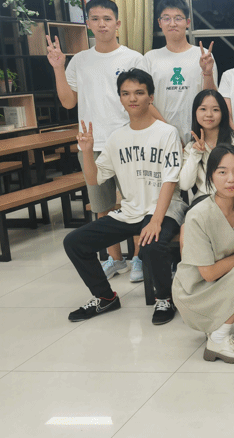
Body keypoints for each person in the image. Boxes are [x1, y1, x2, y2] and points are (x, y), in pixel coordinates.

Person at [64, 68, 186, 325]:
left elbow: (170, 179)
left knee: (151, 245)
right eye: (126, 93)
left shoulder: (167, 132)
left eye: (139, 93)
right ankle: (105, 297)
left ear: (151, 97)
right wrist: (87, 151)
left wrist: (156, 220)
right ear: (120, 98)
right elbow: (94, 179)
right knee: (74, 242)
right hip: (131, 211)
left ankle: (164, 298)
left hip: (165, 208)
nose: (132, 98)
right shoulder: (116, 137)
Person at [47, 0, 143, 281]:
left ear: (117, 23)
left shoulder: (133, 58)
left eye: (107, 19)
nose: (102, 24)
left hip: (128, 142)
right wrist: (58, 67)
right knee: (102, 207)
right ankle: (116, 259)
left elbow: (144, 100)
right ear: (88, 23)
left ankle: (140, 258)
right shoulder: (79, 61)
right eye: (96, 19)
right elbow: (68, 102)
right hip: (92, 144)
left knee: (136, 204)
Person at [172, 145, 234, 364]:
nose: (231, 179)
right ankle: (218, 338)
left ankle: (216, 327)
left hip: (226, 282)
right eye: (222, 172)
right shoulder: (198, 215)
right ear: (211, 176)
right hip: (195, 291)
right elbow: (209, 273)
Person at [141, 0, 218, 141]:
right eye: (166, 18)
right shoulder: (150, 58)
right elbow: (144, 101)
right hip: (161, 136)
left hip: (199, 136)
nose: (172, 23)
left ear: (187, 23)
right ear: (159, 23)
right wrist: (169, 133)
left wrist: (207, 73)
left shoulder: (203, 56)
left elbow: (211, 98)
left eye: (178, 18)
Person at [180, 89, 234, 200]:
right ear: (195, 112)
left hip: (230, 200)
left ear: (223, 113)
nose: (209, 114)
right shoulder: (191, 147)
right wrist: (195, 154)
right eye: (203, 109)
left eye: (215, 110)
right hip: (203, 201)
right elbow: (185, 185)